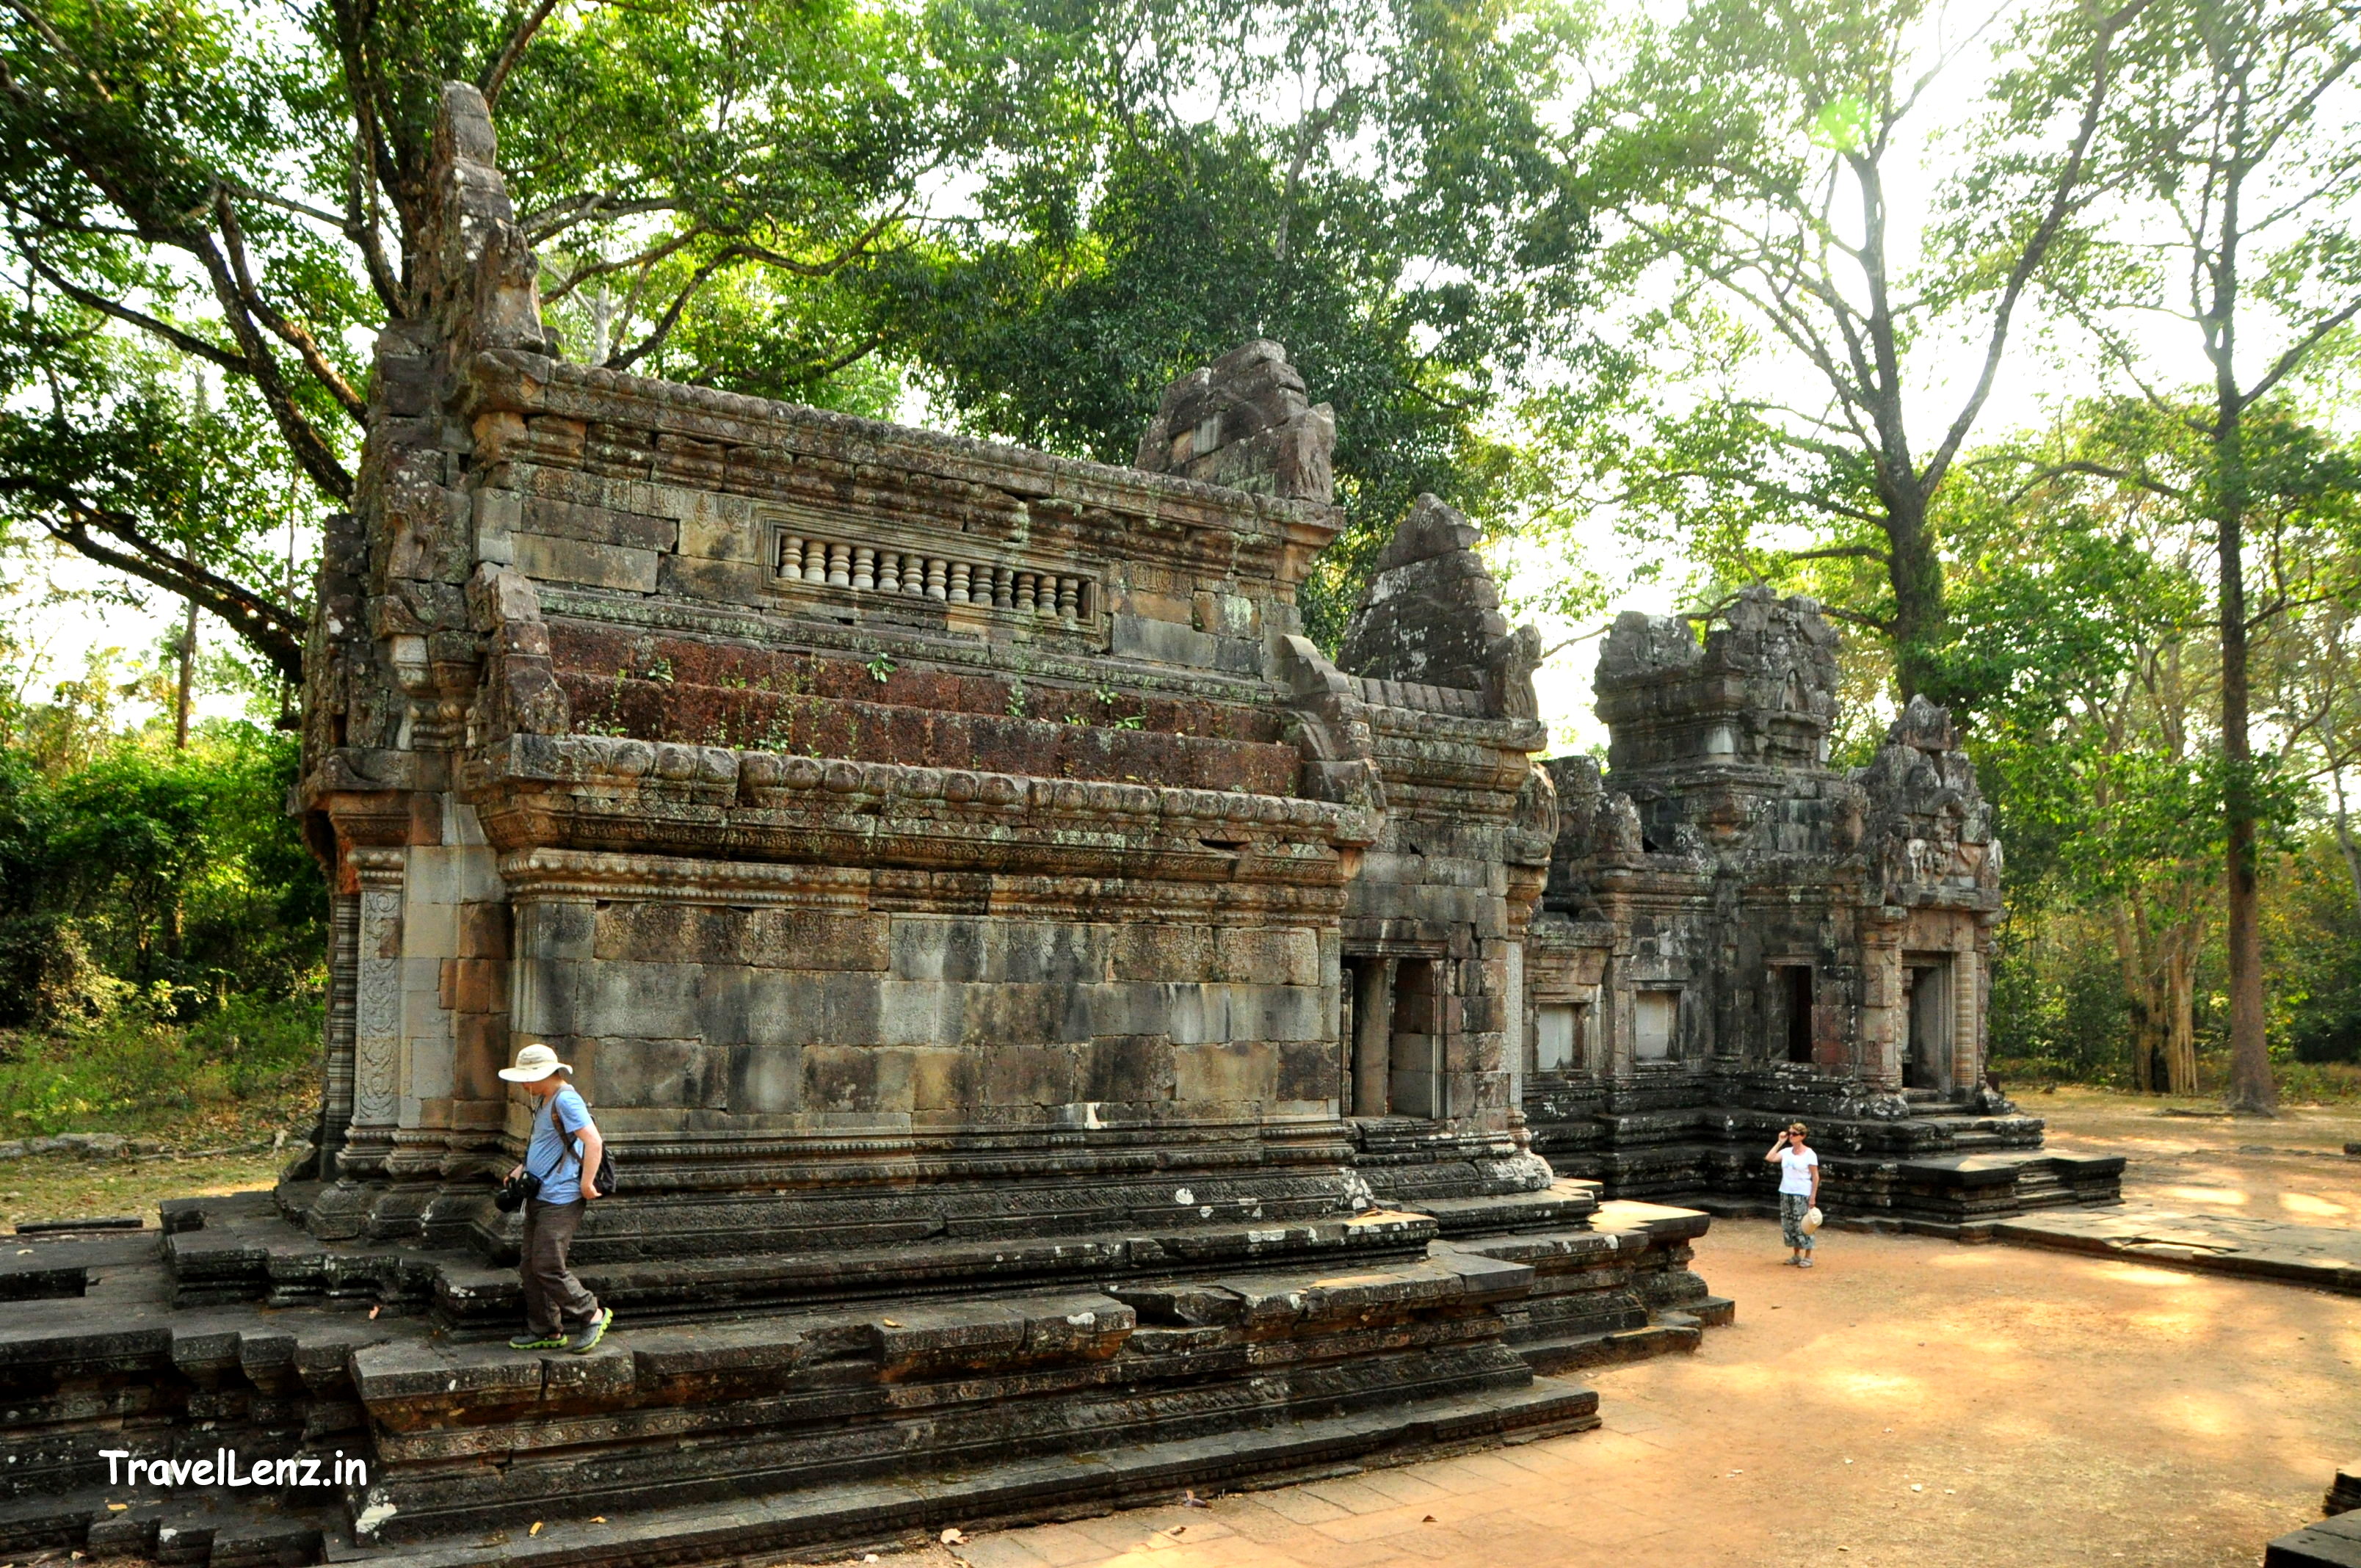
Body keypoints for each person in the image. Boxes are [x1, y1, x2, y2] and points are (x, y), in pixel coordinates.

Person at [498, 1043, 615, 1351]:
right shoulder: (546, 1100)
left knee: (548, 1265)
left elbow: (593, 1142)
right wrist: (520, 1170)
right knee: (529, 1265)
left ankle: (592, 1313)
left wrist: (587, 1183)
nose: (524, 1085)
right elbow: (548, 1145)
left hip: (562, 1197)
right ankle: (547, 1329)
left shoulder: (566, 1100)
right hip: (540, 1192)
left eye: (528, 1078)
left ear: (544, 1074)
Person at [1764, 1121, 1821, 1267]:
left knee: (1804, 1224)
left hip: (1802, 1193)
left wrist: (1813, 1197)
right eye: (1790, 1133)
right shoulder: (1786, 1152)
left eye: (1794, 1134)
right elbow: (1770, 1158)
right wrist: (1779, 1142)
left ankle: (1808, 1256)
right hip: (1786, 1191)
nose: (1791, 1136)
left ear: (1802, 1136)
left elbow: (1815, 1176)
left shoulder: (1809, 1154)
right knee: (1790, 1224)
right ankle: (1796, 1254)